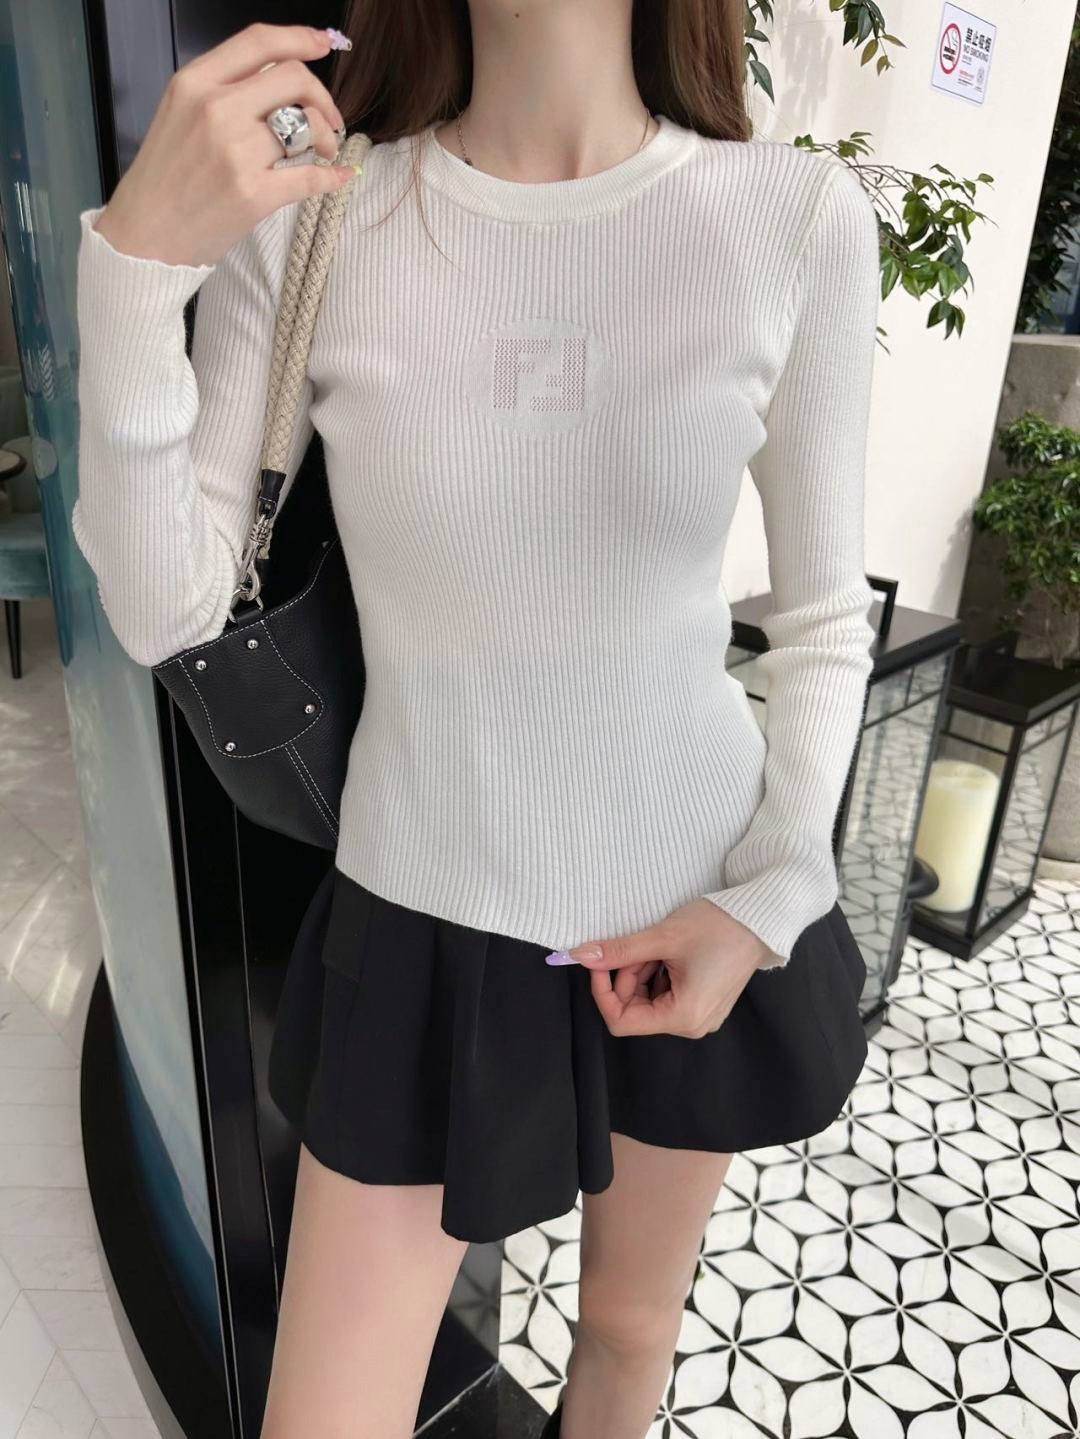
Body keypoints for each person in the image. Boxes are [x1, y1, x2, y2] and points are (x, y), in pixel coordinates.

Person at [71, 5, 881, 1436]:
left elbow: (822, 618)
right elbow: (164, 611)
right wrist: (134, 271)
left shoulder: (789, 216)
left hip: (689, 898)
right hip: (421, 914)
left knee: (626, 1339)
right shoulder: (325, 218)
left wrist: (771, 897)